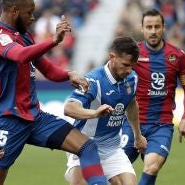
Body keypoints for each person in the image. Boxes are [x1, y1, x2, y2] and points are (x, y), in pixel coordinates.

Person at [0, 0, 108, 185]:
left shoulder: (24, 36)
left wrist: (69, 74)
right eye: (29, 12)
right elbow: (21, 56)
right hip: (9, 119)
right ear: (14, 11)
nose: (32, 18)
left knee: (87, 147)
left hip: (34, 117)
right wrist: (54, 40)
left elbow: (48, 70)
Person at [121, 8, 185, 185]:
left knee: (151, 167)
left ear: (164, 27)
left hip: (160, 125)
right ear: (142, 28)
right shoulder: (133, 54)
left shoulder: (178, 56)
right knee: (116, 171)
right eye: (149, 27)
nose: (153, 31)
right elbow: (113, 77)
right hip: (131, 124)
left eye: (157, 26)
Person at [63, 36, 148, 185]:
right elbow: (69, 108)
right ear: (112, 57)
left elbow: (132, 104)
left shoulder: (132, 79)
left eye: (132, 66)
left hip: (112, 149)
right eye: (125, 64)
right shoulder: (94, 81)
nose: (129, 70)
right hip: (83, 146)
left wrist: (137, 136)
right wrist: (94, 113)